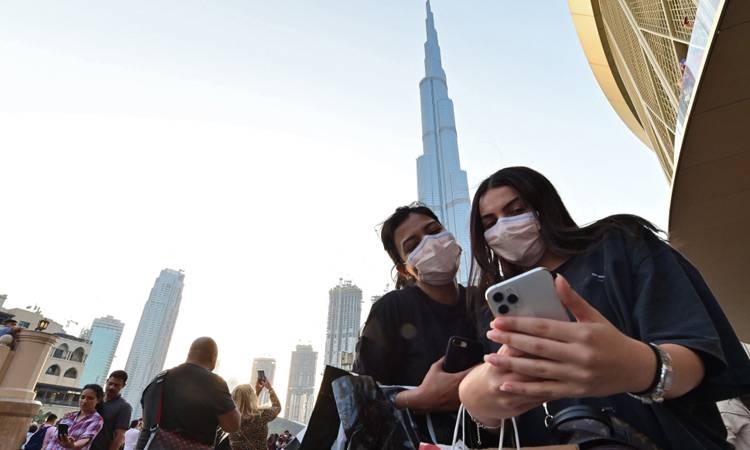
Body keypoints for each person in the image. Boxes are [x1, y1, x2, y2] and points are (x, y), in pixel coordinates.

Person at [457, 166, 750, 449]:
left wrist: (637, 366)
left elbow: (696, 357)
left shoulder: (620, 244)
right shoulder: (493, 311)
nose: (503, 227)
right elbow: (511, 417)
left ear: (544, 206)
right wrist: (481, 404)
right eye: (490, 223)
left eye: (516, 211)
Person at [352, 203, 479, 444]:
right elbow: (359, 398)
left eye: (434, 230)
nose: (430, 243)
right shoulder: (391, 309)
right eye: (412, 245)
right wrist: (420, 398)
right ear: (404, 269)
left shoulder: (482, 301)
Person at [136, 337, 240, 449]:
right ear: (213, 358)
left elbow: (146, 419)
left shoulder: (159, 379)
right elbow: (232, 425)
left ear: (189, 353)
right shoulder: (215, 383)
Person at [42, 384, 104, 450]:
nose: (85, 401)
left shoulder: (96, 420)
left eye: (90, 398)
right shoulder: (69, 416)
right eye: (82, 397)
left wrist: (72, 445)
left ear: (98, 400)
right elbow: (54, 438)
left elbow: (85, 439)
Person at [228, 380, 281, 449]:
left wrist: (257, 393)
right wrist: (270, 389)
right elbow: (277, 407)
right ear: (252, 397)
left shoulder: (230, 419)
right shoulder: (262, 415)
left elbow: (245, 406)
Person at [89, 370, 132, 450]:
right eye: (110, 383)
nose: (112, 387)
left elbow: (119, 437)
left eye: (117, 385)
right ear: (107, 381)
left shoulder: (124, 407)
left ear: (123, 386)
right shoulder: (94, 400)